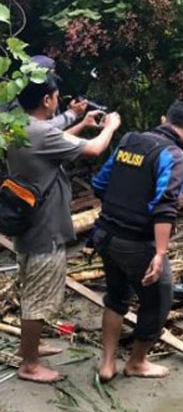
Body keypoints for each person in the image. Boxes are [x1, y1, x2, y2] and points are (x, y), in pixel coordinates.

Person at [7, 73, 120, 383]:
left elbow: (52, 136)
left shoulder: (20, 126)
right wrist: (109, 127)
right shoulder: (41, 133)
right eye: (55, 96)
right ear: (46, 100)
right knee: (38, 297)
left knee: (31, 288)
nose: (58, 101)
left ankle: (31, 347)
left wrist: (80, 122)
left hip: (27, 224)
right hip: (44, 228)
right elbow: (94, 150)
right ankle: (29, 364)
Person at [90, 101, 183, 381]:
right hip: (137, 243)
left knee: (116, 297)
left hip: (104, 234)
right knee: (159, 299)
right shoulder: (175, 156)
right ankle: (137, 362)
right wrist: (160, 253)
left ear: (164, 118)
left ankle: (107, 364)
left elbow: (100, 184)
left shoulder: (129, 140)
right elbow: (165, 204)